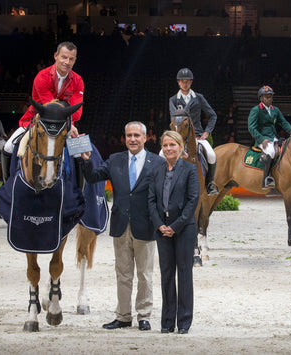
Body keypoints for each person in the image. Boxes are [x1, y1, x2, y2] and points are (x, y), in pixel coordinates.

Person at [81, 121, 165, 331]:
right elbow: (92, 177)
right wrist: (86, 161)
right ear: (124, 138)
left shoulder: (157, 163)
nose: (133, 139)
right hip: (120, 225)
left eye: (137, 135)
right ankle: (123, 316)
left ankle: (144, 316)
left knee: (145, 274)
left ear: (145, 138)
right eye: (129, 135)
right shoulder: (114, 160)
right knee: (123, 274)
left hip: (145, 226)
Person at [3, 41, 84, 181]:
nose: (67, 62)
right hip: (36, 120)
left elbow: (77, 112)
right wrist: (67, 110)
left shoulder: (78, 80)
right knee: (8, 146)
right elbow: (49, 109)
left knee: (80, 151)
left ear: (75, 60)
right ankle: (7, 184)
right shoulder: (42, 76)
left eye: (71, 59)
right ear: (56, 56)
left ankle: (79, 192)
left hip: (65, 124)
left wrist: (71, 125)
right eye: (64, 57)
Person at [148, 130, 199, 335]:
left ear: (180, 147)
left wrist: (175, 226)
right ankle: (167, 321)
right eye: (166, 145)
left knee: (184, 274)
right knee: (167, 275)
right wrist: (160, 225)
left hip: (184, 229)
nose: (169, 149)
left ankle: (184, 321)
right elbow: (151, 200)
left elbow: (192, 201)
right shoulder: (157, 170)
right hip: (162, 230)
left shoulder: (189, 169)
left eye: (173, 145)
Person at [169, 68, 218, 195]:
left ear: (191, 82)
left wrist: (207, 132)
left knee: (211, 155)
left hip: (197, 136)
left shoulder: (198, 98)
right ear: (178, 83)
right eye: (182, 81)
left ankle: (210, 183)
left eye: (187, 81)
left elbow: (213, 115)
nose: (185, 84)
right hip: (178, 137)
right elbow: (173, 119)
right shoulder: (173, 100)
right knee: (161, 155)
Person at [248, 85, 291, 189]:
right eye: (266, 97)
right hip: (262, 138)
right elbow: (251, 127)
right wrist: (261, 139)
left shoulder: (275, 110)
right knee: (271, 151)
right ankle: (266, 179)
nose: (269, 99)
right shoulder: (256, 110)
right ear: (261, 98)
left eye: (270, 96)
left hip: (274, 137)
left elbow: (283, 122)